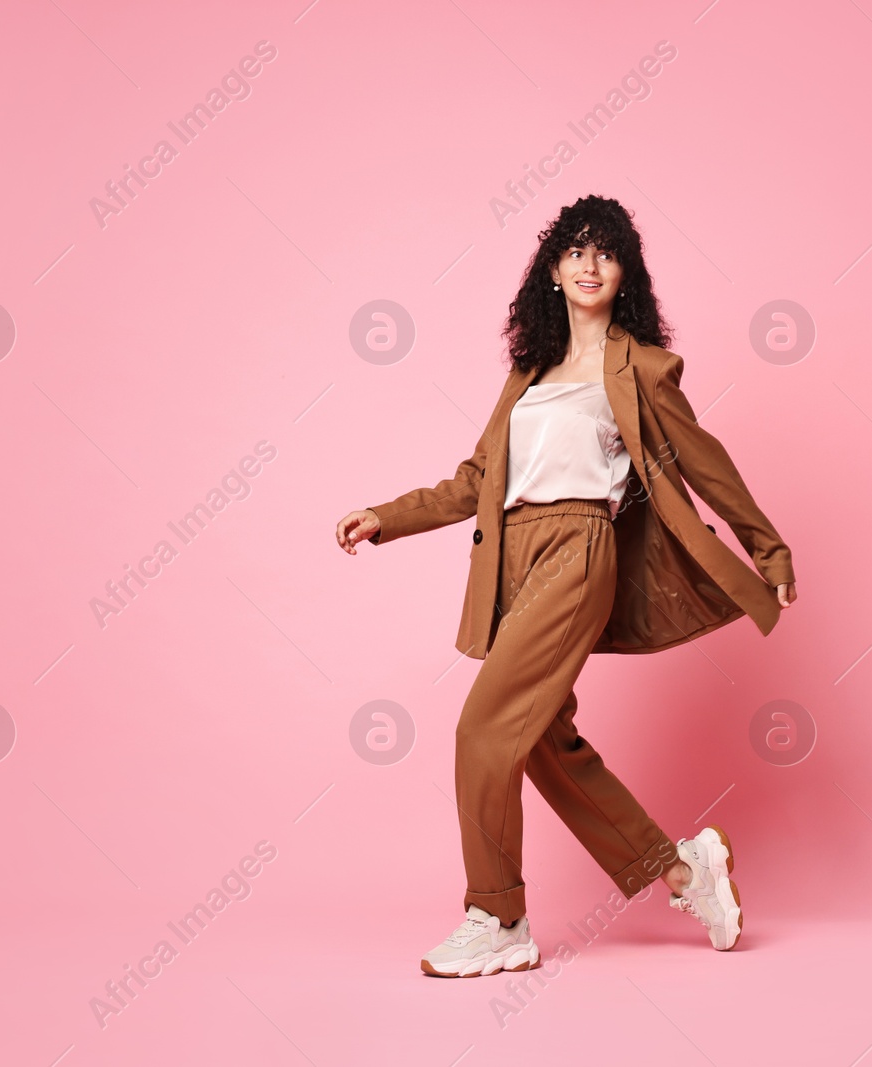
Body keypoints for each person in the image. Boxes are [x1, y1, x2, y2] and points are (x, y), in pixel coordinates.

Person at [334, 194, 797, 978]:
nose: (589, 263)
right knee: (546, 744)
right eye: (576, 250)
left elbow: (706, 461)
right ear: (553, 269)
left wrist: (770, 550)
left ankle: (498, 915)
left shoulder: (641, 369)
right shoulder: (529, 375)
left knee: (482, 730)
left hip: (581, 550)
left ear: (624, 275)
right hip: (514, 558)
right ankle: (687, 872)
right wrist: (386, 516)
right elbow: (478, 479)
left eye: (606, 252)